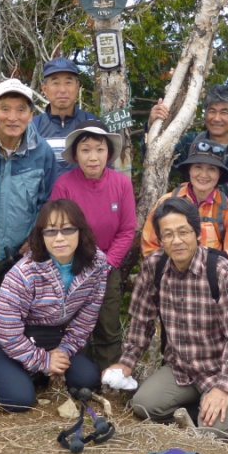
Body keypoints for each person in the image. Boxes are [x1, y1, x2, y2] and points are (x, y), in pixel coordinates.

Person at [104, 197, 228, 439]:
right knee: (143, 405)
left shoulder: (223, 272)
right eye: (168, 234)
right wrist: (127, 362)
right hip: (181, 368)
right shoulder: (154, 267)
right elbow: (142, 320)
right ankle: (197, 406)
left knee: (214, 431)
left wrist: (223, 388)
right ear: (160, 239)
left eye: (183, 232)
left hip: (223, 369)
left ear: (197, 233)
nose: (177, 241)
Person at [0, 200, 110, 412]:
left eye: (67, 229)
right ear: (41, 235)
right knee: (18, 400)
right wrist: (43, 361)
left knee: (86, 380)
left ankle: (27, 369)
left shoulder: (97, 264)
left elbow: (87, 317)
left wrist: (62, 352)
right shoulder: (24, 272)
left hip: (48, 333)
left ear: (80, 231)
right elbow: (5, 328)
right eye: (50, 231)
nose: (59, 238)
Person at [49, 121, 136, 368]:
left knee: (108, 324)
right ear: (76, 155)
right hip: (72, 267)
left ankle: (111, 378)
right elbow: (57, 229)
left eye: (99, 149)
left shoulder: (121, 184)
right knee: (75, 325)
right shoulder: (64, 184)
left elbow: (127, 229)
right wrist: (75, 263)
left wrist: (106, 264)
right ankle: (80, 376)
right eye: (85, 150)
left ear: (108, 152)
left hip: (108, 265)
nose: (93, 157)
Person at [0, 77, 58, 302]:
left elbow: (47, 202)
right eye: (5, 109)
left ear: (31, 115)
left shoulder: (42, 153)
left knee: (18, 318)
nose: (13, 117)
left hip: (23, 256)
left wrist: (35, 237)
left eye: (21, 110)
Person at [139, 140, 228, 270]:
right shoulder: (166, 202)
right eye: (198, 167)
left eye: (211, 169)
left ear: (219, 174)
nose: (204, 175)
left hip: (211, 281)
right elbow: (149, 246)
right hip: (170, 279)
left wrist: (211, 258)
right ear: (189, 170)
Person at [147, 84, 228, 194]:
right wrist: (152, 125)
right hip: (190, 210)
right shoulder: (190, 142)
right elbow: (153, 160)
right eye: (212, 111)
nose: (217, 118)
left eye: (224, 112)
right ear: (205, 114)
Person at [31, 57, 98, 172]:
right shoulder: (33, 126)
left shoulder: (91, 124)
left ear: (77, 87)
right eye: (56, 83)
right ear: (45, 89)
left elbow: (103, 168)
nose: (62, 90)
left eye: (68, 82)